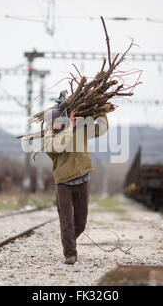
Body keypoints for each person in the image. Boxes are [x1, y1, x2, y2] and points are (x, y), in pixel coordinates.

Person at [43, 106, 108, 265]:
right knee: (66, 221)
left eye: (59, 122)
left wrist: (101, 110)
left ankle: (69, 239)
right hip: (63, 182)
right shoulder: (49, 137)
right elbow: (59, 145)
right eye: (53, 123)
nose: (55, 125)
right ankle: (70, 254)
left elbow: (101, 129)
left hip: (82, 179)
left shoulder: (79, 130)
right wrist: (70, 128)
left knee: (80, 223)